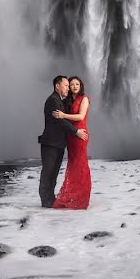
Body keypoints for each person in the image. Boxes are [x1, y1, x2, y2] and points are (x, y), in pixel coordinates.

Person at [39, 75, 88, 208]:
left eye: (69, 85)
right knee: (48, 172)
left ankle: (50, 199)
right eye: (66, 85)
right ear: (57, 86)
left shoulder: (61, 100)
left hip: (59, 143)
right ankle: (46, 201)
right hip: (51, 143)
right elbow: (60, 121)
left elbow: (73, 117)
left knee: (53, 173)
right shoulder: (53, 101)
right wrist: (76, 132)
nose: (69, 88)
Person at [52, 76, 91, 209]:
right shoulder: (67, 100)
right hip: (71, 135)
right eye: (71, 84)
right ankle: (73, 196)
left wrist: (63, 115)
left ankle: (82, 198)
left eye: (77, 84)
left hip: (80, 135)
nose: (74, 87)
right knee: (73, 164)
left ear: (81, 86)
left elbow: (81, 116)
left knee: (81, 164)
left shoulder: (84, 99)